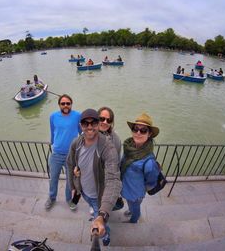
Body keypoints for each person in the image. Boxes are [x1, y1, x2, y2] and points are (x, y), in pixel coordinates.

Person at [67, 109, 122, 246]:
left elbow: (113, 179)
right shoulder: (77, 143)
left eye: (93, 123)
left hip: (99, 195)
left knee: (100, 220)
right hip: (84, 191)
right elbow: (70, 163)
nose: (90, 126)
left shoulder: (108, 148)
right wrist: (73, 187)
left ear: (98, 124)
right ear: (81, 125)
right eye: (86, 123)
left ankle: (105, 235)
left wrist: (102, 215)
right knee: (91, 205)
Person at [120, 112, 160, 223]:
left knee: (135, 206)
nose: (138, 132)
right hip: (126, 186)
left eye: (143, 130)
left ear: (150, 134)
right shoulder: (129, 147)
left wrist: (140, 191)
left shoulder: (149, 162)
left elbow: (151, 181)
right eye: (135, 129)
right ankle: (130, 210)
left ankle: (134, 219)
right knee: (130, 203)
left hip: (135, 192)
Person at [45, 94, 81, 211]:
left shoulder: (78, 116)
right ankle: (52, 197)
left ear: (71, 104)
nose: (65, 105)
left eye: (68, 103)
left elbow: (82, 133)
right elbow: (53, 131)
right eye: (63, 103)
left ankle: (69, 199)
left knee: (70, 180)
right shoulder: (53, 116)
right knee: (53, 178)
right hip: (56, 154)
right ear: (59, 105)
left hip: (71, 155)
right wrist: (51, 142)